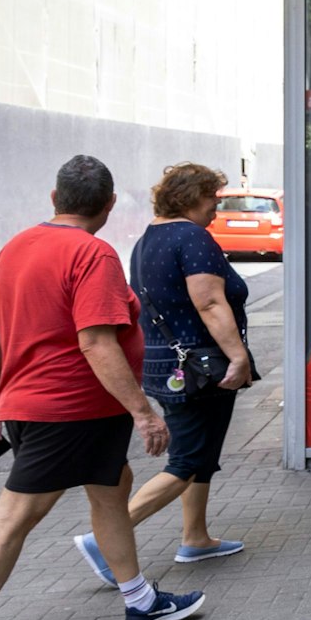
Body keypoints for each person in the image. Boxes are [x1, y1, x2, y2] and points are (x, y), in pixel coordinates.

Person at [0, 156, 207, 620]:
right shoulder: (92, 253)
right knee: (14, 520)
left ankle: (141, 602)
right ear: (108, 206)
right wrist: (143, 413)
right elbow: (96, 341)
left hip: (33, 406)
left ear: (54, 199)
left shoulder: (14, 249)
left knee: (112, 487)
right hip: (69, 408)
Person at [74, 163, 253, 585]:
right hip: (200, 366)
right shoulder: (192, 237)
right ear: (191, 197)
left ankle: (196, 537)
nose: (216, 208)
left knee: (200, 453)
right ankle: (105, 539)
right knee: (188, 460)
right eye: (213, 199)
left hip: (165, 364)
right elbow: (209, 303)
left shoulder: (148, 239)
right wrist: (239, 357)